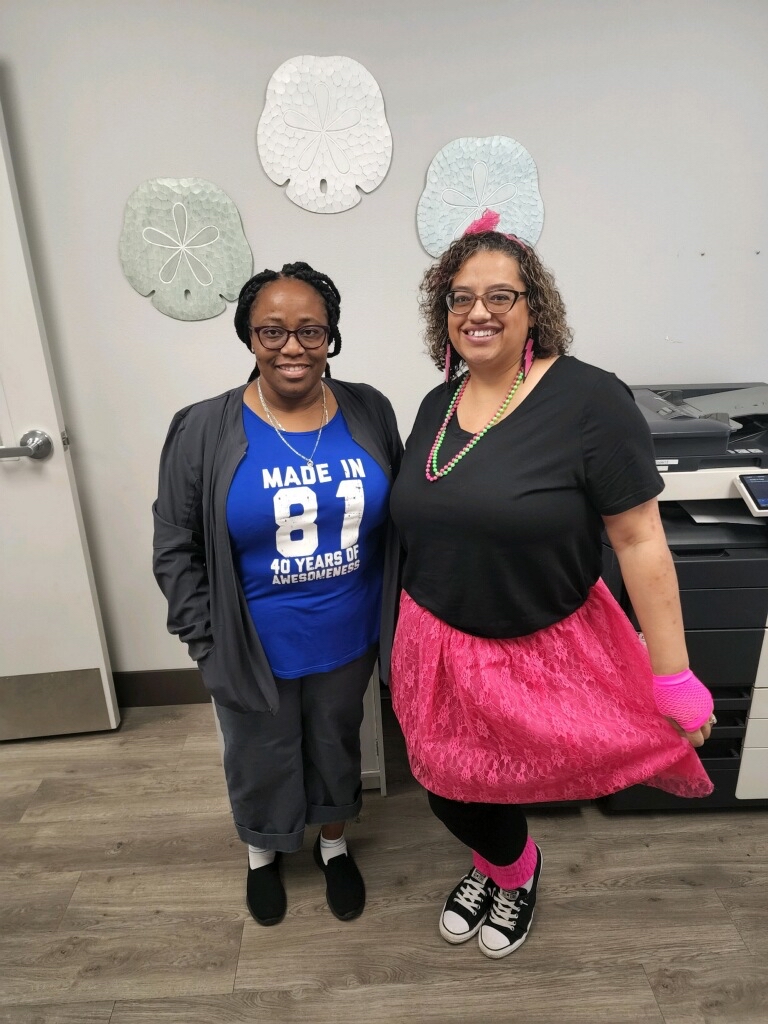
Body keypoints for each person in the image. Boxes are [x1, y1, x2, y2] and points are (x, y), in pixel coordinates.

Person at [389, 210, 715, 961]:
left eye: (500, 295)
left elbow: (640, 540)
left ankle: (514, 872)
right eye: (460, 296)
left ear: (535, 305)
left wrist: (673, 675)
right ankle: (502, 863)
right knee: (447, 785)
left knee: (496, 782)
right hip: (434, 639)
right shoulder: (437, 405)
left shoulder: (591, 400)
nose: (478, 312)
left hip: (540, 641)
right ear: (442, 312)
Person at [153, 261, 402, 927]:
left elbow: (401, 521)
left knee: (335, 744)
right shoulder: (204, 428)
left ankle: (334, 845)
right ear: (248, 337)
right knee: (259, 755)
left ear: (331, 336)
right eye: (272, 331)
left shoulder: (369, 409)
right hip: (250, 644)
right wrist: (204, 639)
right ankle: (263, 855)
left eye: (309, 331)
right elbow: (175, 543)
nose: (292, 347)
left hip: (349, 636)